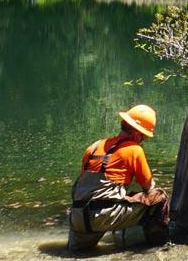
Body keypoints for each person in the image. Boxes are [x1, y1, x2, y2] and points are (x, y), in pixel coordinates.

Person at [67, 104, 170, 252]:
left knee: (76, 253)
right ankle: (157, 249)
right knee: (160, 198)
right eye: (144, 137)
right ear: (136, 133)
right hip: (103, 216)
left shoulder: (94, 147)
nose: (143, 140)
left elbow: (88, 186)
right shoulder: (134, 150)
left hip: (78, 217)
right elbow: (149, 188)